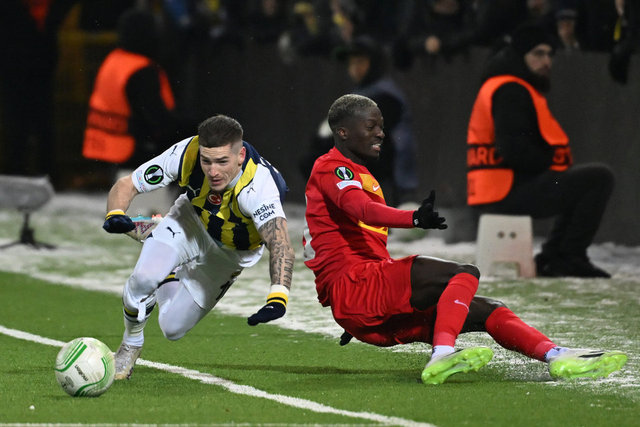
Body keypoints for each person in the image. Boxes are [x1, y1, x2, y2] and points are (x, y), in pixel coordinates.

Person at [303, 93, 627, 384]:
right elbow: (361, 210)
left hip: (368, 306)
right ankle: (443, 353)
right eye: (371, 126)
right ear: (343, 132)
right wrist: (413, 218)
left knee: (488, 309)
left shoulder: (357, 174)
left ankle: (555, 355)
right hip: (359, 289)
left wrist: (352, 311)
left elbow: (323, 243)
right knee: (463, 273)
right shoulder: (333, 168)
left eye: (381, 126)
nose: (380, 133)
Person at [102, 114, 295, 379]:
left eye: (222, 162)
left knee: (172, 328)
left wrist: (278, 297)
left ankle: (164, 251)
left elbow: (281, 244)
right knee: (144, 279)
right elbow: (128, 184)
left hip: (230, 254)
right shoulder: (186, 153)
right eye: (207, 161)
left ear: (240, 156)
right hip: (191, 221)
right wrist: (114, 213)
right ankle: (130, 345)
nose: (213, 171)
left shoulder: (260, 186)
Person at [466, 23, 615, 278]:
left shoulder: (506, 85)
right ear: (519, 55)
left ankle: (557, 256)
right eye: (538, 53)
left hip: (496, 189)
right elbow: (514, 150)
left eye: (549, 54)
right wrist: (549, 161)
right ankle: (567, 257)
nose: (546, 61)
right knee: (599, 178)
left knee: (578, 181)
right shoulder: (511, 89)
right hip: (507, 190)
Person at [300, 35, 418, 206]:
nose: (355, 68)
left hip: (389, 186)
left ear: (375, 64)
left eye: (360, 62)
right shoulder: (359, 95)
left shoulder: (387, 97)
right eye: (351, 63)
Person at [82, 7, 192, 176]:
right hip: (131, 150)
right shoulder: (141, 70)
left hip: (103, 143)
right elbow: (159, 121)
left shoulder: (114, 59)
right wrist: (195, 129)